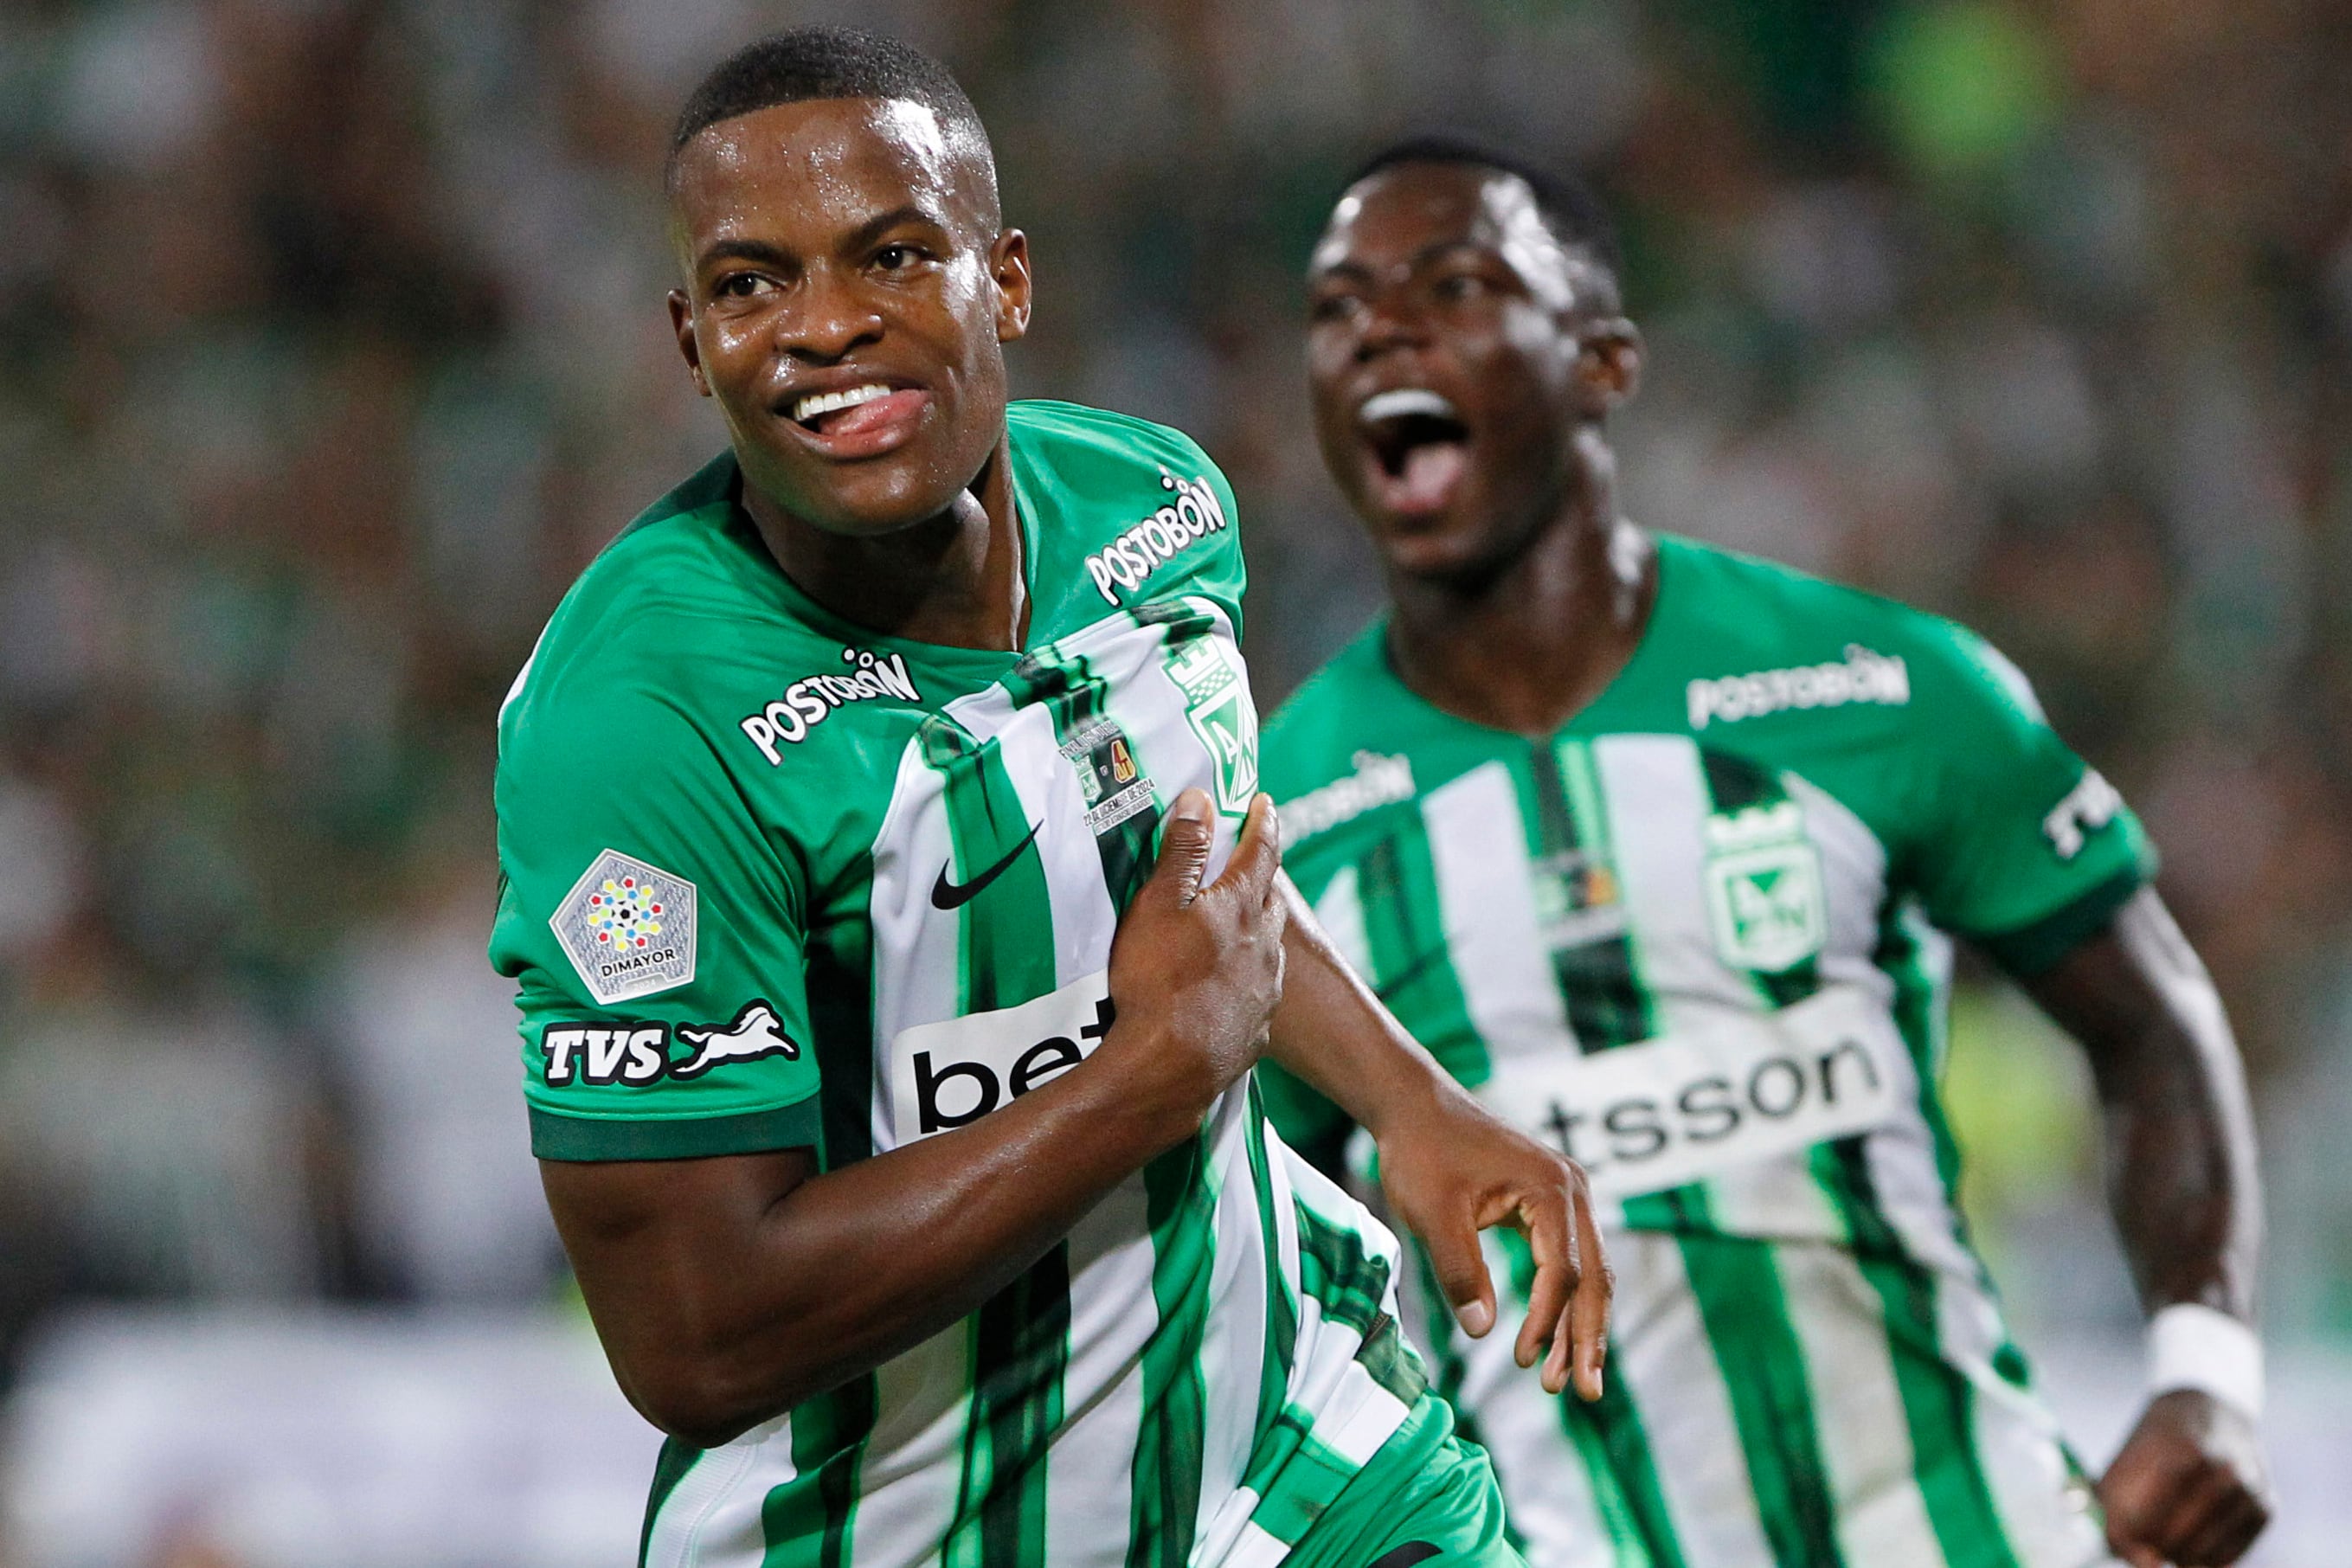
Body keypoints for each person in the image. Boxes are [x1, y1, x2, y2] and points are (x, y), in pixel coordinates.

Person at [488, 36, 1611, 1568]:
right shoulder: (636, 730)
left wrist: (1409, 1099)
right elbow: (700, 1339)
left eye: (890, 256)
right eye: (752, 286)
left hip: (1300, 1463)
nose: (825, 326)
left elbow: (1192, 884)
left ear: (1004, 280)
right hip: (902, 1524)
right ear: (693, 345)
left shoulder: (1156, 508)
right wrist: (1147, 1081)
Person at [1258, 136, 2272, 1568]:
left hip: (1964, 1530)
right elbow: (1263, 1260)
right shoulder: (1273, 817)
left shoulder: (1882, 690)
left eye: (1457, 284)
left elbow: (2152, 1025)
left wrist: (2205, 1373)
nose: (1382, 330)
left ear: (1603, 362)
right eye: (1337, 306)